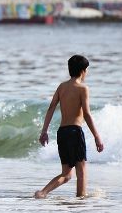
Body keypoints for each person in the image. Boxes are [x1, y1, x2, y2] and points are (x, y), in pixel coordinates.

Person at [34, 55, 104, 199]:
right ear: (83, 71)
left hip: (62, 132)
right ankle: (81, 200)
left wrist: (44, 131)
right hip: (75, 132)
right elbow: (87, 114)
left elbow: (51, 108)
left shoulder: (62, 87)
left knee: (66, 175)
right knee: (82, 171)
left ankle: (42, 193)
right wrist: (97, 136)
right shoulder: (82, 88)